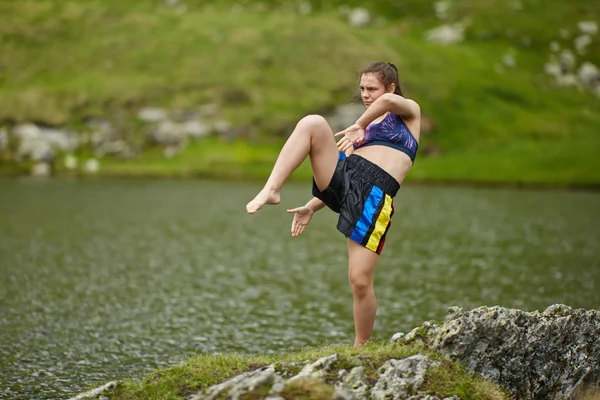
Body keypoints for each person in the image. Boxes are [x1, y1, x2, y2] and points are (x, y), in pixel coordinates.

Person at [245, 61, 421, 347]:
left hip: (376, 197)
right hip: (347, 178)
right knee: (312, 123)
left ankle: (361, 347)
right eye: (362, 88)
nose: (365, 95)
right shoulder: (362, 127)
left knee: (360, 281)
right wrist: (312, 206)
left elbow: (389, 102)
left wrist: (359, 125)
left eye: (371, 88)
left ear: (390, 86)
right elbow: (350, 175)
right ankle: (271, 189)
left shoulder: (408, 112)